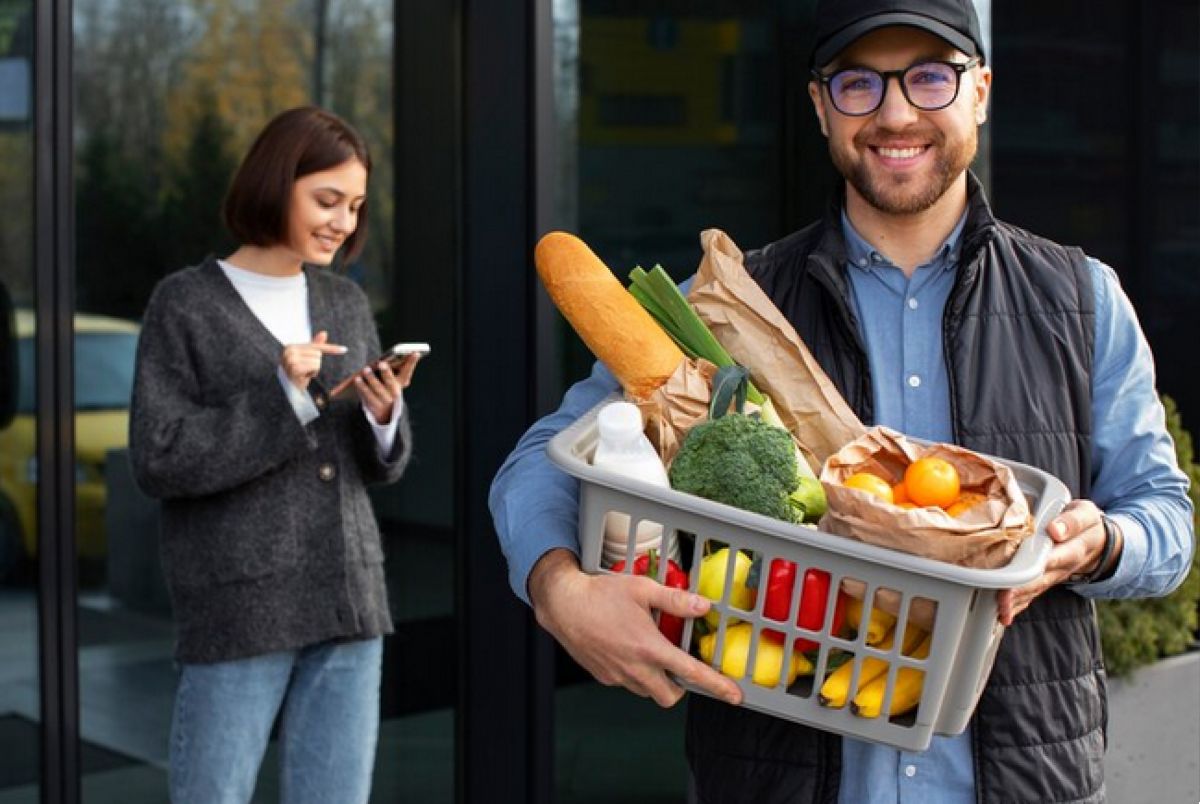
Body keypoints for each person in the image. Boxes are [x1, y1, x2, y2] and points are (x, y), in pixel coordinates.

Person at [489, 1, 1195, 802]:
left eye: (931, 77)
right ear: (821, 106)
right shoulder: (729, 304)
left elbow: (1166, 520)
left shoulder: (1082, 300)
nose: (896, 113)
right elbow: (542, 459)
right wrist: (560, 589)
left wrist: (1098, 543)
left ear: (982, 93)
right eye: (859, 84)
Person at [130, 106, 421, 804]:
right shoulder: (186, 305)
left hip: (350, 601)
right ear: (274, 183)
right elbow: (159, 458)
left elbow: (375, 463)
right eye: (327, 200)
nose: (343, 223)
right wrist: (282, 398)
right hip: (241, 608)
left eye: (354, 206)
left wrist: (384, 415)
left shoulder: (344, 301)